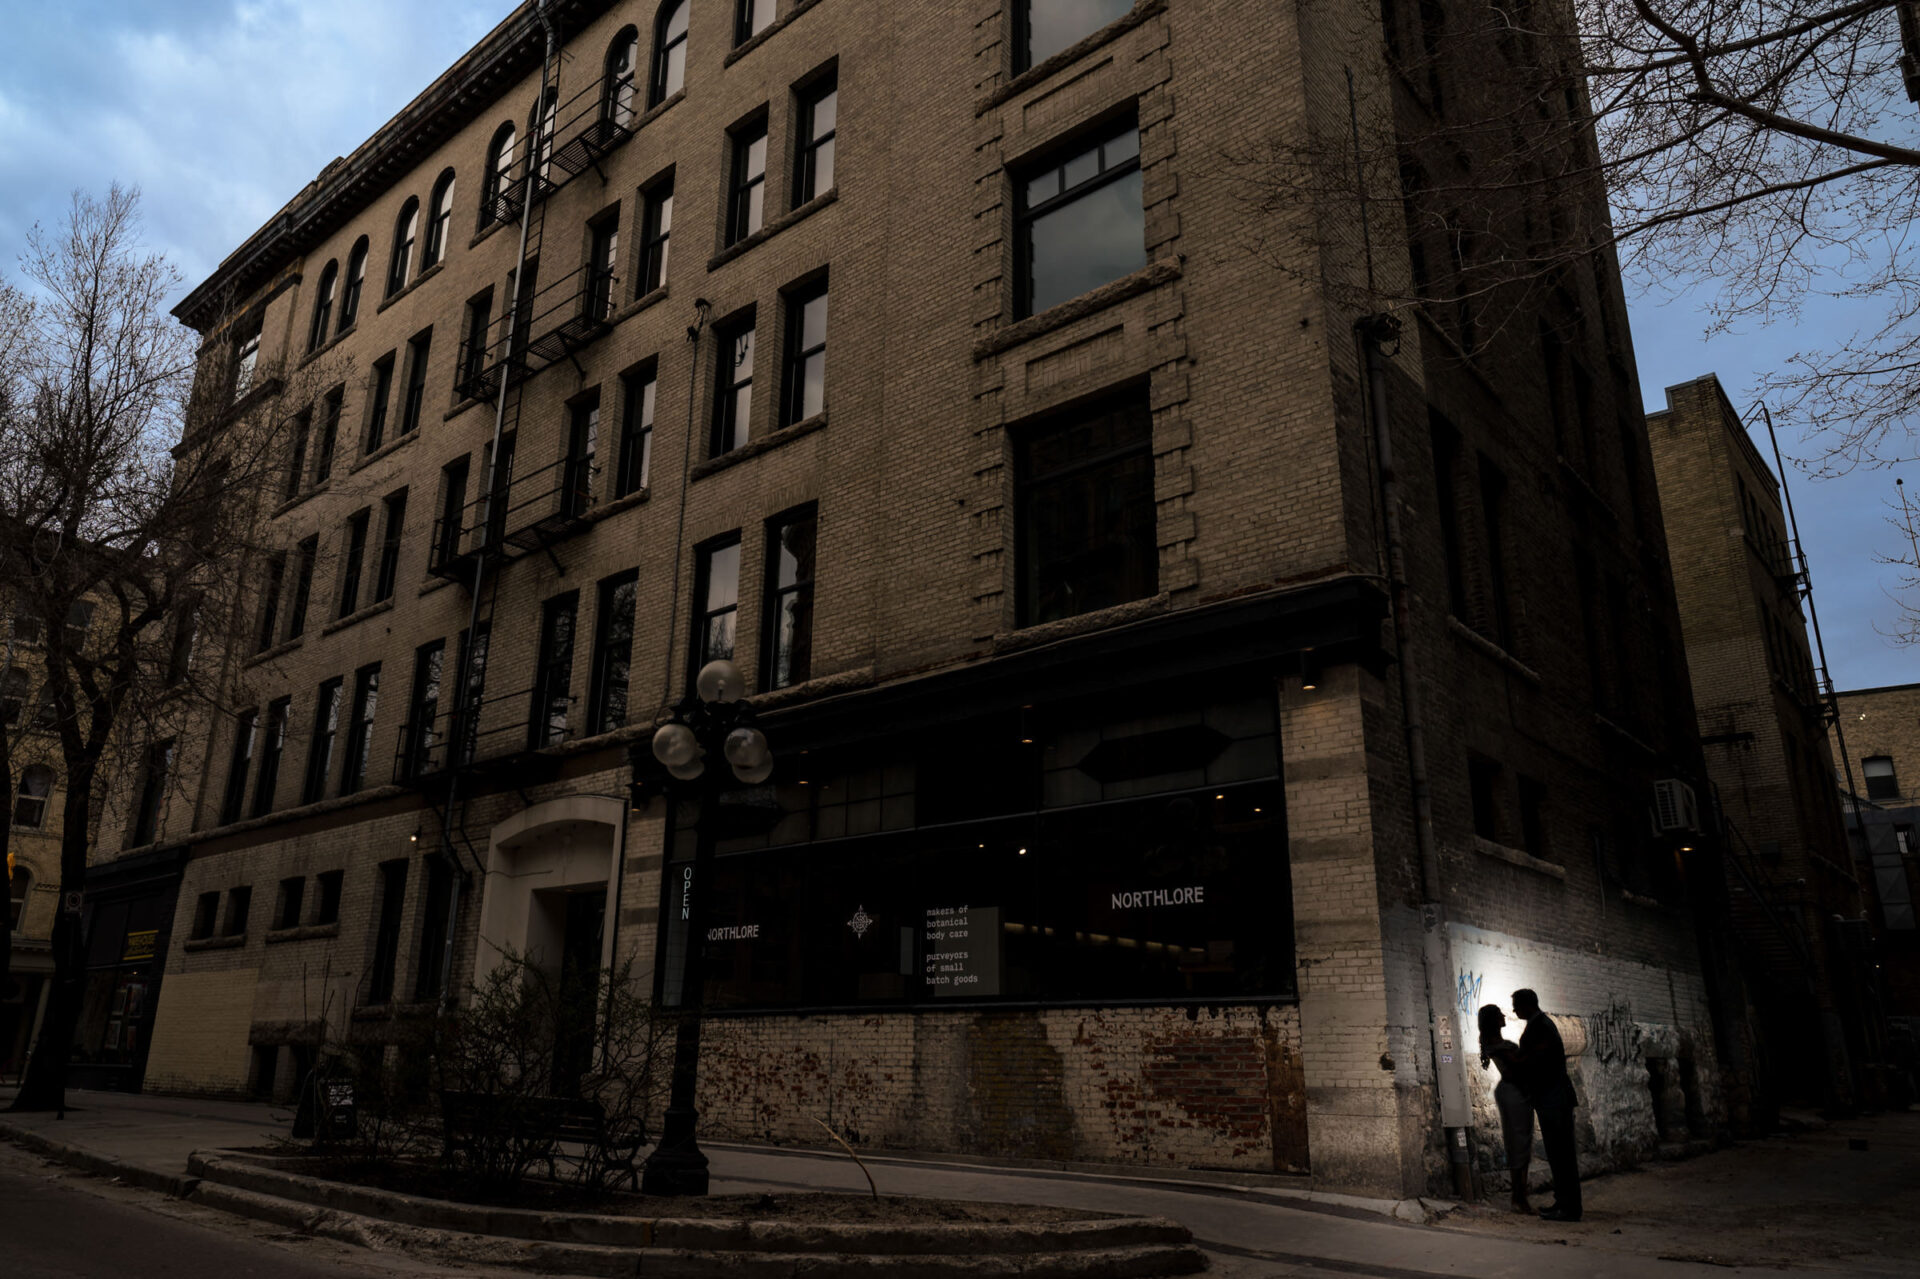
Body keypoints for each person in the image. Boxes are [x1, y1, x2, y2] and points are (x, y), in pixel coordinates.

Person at [1512, 988, 1581, 1222]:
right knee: (1558, 1154)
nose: (1513, 1010)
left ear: (1527, 1005)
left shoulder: (1540, 1026)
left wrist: (1520, 1061)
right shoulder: (1541, 1024)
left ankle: (1569, 1208)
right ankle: (1563, 1202)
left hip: (1554, 1099)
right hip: (1552, 1098)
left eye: (1516, 1005)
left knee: (1562, 1155)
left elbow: (1538, 1061)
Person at [1477, 1003, 1533, 1212]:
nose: (1504, 1016)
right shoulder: (1498, 1045)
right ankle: (1519, 1198)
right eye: (1499, 1014)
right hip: (1514, 1092)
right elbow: (1514, 1070)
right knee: (1518, 1142)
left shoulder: (1495, 1043)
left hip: (1512, 1092)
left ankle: (1519, 1196)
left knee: (1519, 1142)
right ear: (1493, 1020)